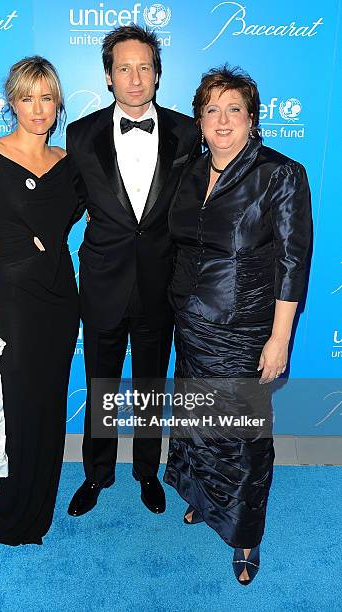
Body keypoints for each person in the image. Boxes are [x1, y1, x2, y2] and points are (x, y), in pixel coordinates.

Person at [164, 65, 312, 585]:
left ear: (252, 119)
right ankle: (205, 500)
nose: (222, 120)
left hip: (244, 326)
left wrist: (278, 339)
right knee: (198, 424)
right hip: (192, 322)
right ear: (199, 120)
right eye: (211, 110)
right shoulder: (189, 168)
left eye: (234, 109)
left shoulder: (280, 174)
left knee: (243, 436)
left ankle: (246, 533)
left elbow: (294, 262)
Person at [66, 25, 200, 518]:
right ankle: (96, 475)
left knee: (149, 385)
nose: (135, 78)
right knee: (101, 383)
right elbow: (69, 201)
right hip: (103, 281)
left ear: (158, 75)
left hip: (160, 283)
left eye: (145, 67)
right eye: (124, 68)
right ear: (108, 76)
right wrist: (14, 234)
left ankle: (147, 471)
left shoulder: (188, 132)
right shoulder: (80, 135)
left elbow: (199, 206)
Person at [0, 56, 81, 546]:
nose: (38, 108)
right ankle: (12, 514)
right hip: (13, 295)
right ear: (12, 103)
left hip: (62, 294)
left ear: (58, 102)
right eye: (28, 98)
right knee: (21, 403)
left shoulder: (69, 163)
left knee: (50, 401)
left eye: (47, 97)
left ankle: (39, 509)